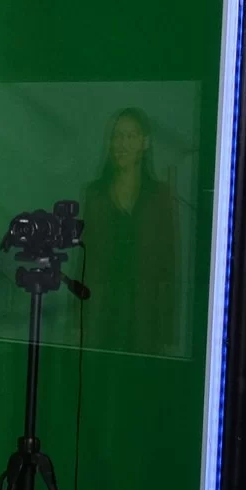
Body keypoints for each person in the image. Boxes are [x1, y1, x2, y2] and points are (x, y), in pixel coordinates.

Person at [80, 106, 179, 355]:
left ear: (145, 143)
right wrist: (78, 323)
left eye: (130, 136)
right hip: (102, 312)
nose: (122, 144)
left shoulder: (160, 196)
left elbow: (168, 265)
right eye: (117, 136)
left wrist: (167, 331)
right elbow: (84, 262)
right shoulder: (95, 194)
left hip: (145, 316)